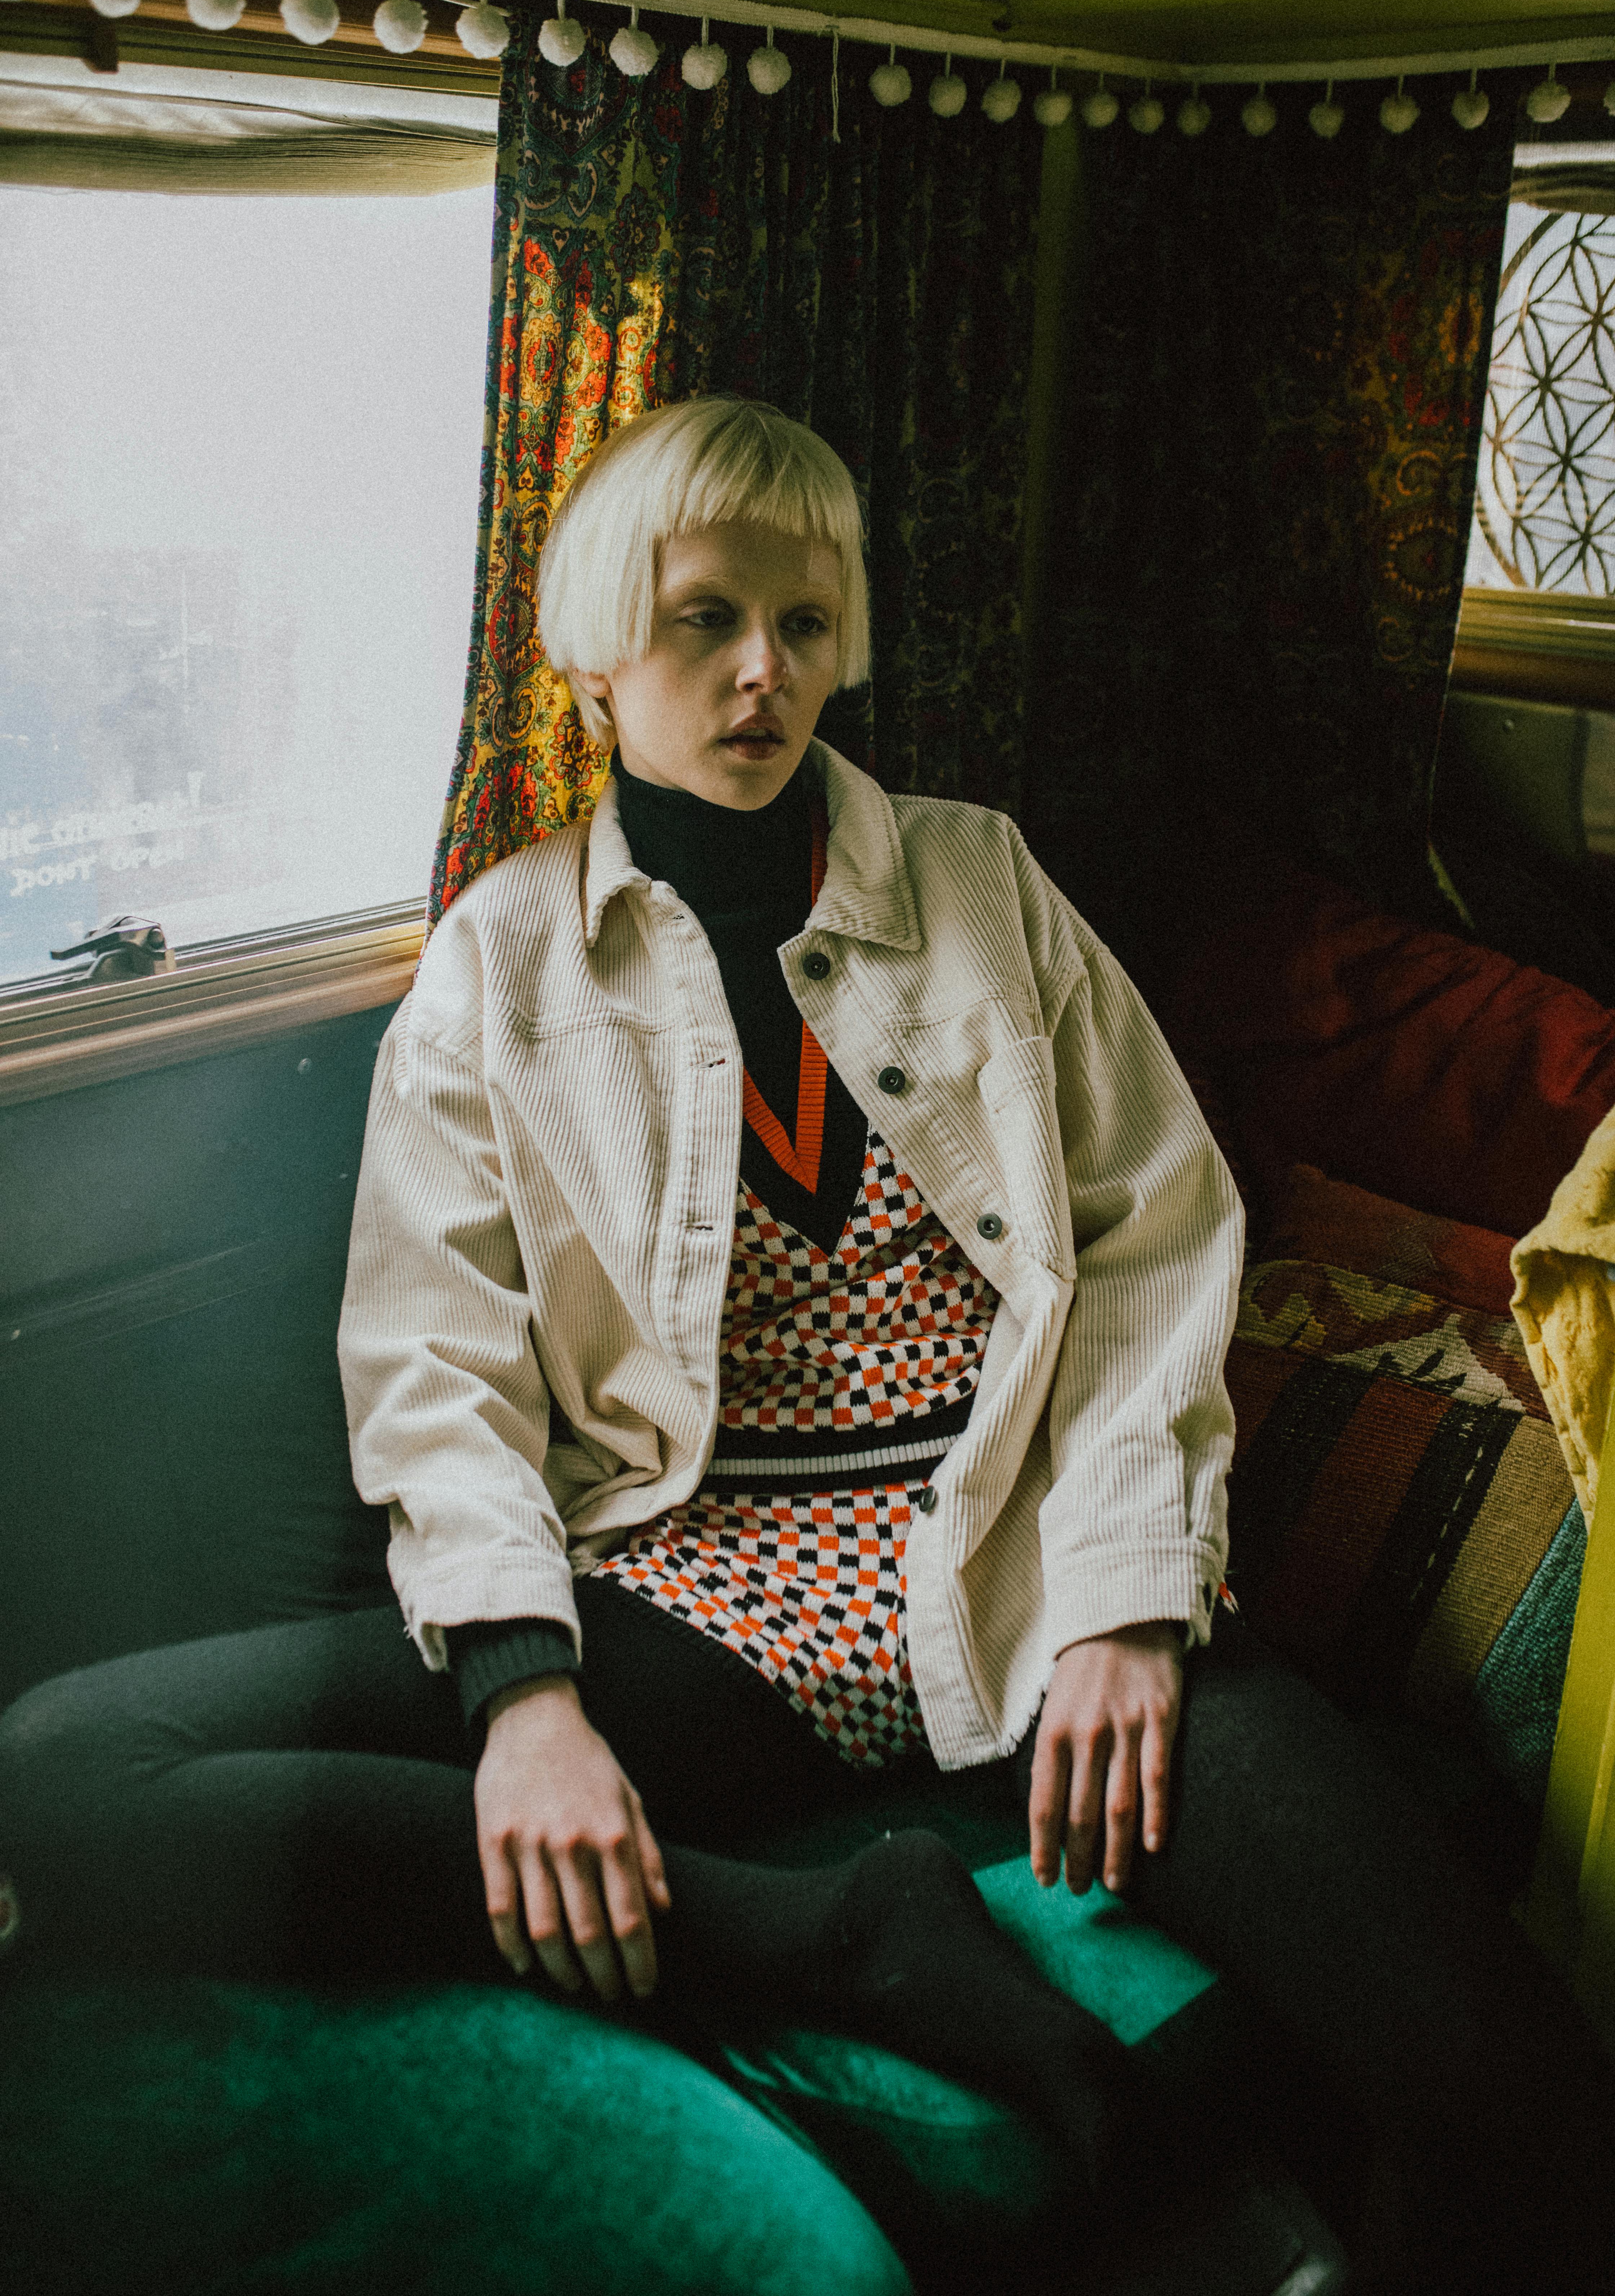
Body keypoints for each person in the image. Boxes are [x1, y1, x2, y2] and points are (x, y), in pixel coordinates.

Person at [3, 395, 1612, 2294]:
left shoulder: (986, 884)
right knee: (67, 1766)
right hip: (704, 1598)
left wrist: (1126, 1602)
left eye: (809, 622)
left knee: (1510, 2096)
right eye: (706, 621)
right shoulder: (504, 963)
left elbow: (1157, 1251)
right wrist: (525, 1703)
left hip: (1026, 1573)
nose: (768, 673)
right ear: (603, 646)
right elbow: (435, 1362)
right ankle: (837, 1937)